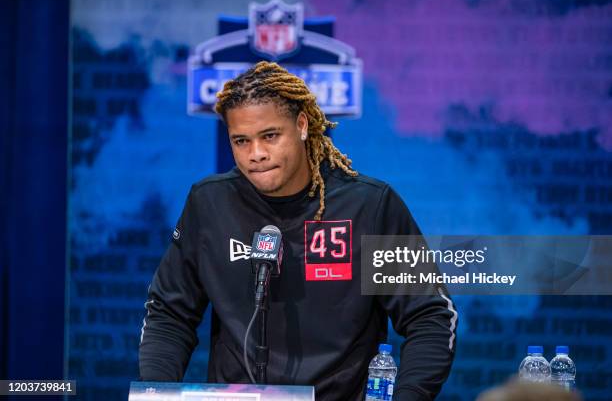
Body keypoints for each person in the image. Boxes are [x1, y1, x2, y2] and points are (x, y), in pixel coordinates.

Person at [139, 61, 457, 400]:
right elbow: (169, 314)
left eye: (270, 136)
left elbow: (430, 318)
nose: (256, 154)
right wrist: (156, 393)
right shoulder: (209, 203)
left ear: (302, 125)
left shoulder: (369, 206)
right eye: (241, 141)